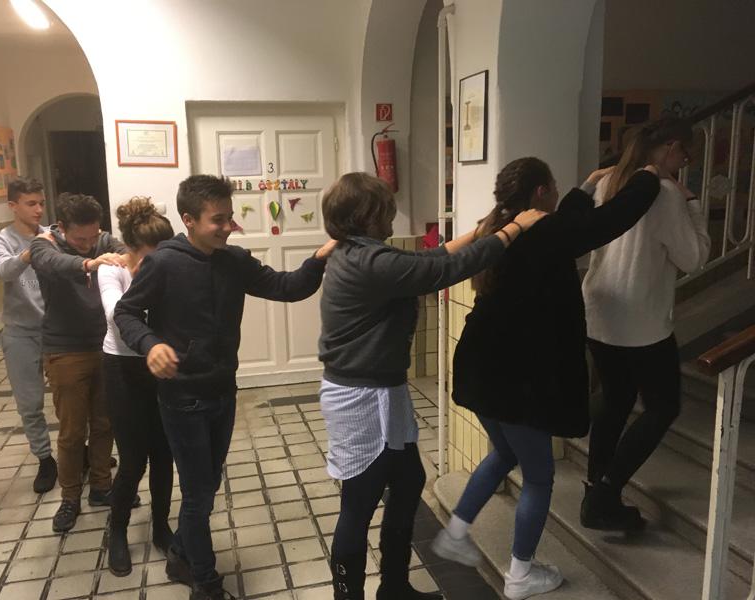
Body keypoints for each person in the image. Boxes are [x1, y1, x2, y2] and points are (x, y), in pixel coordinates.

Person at [432, 158, 662, 600]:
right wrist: (647, 179)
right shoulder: (548, 232)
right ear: (540, 192)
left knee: (504, 453)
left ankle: (455, 533)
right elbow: (609, 220)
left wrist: (586, 186)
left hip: (481, 369)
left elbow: (570, 220)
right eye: (554, 186)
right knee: (539, 478)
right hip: (516, 380)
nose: (557, 192)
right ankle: (520, 575)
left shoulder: (499, 224)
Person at [318, 172, 545, 600]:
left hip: (381, 390)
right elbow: (441, 269)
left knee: (407, 483)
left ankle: (395, 587)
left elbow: (428, 259)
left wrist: (480, 231)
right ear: (366, 215)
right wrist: (514, 230)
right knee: (359, 502)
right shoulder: (369, 260)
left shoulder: (363, 252)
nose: (392, 216)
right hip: (360, 397)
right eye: (386, 209)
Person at [114, 174, 336, 600]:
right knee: (199, 494)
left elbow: (287, 287)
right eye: (217, 219)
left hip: (223, 392)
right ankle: (206, 583)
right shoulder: (164, 263)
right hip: (182, 397)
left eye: (229, 217)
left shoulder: (234, 261)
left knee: (207, 485)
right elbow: (126, 313)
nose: (227, 226)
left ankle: (181, 553)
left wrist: (319, 258)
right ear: (188, 219)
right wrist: (150, 344)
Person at [580, 117, 710, 530]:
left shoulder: (610, 182)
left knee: (615, 399)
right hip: (641, 322)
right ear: (670, 147)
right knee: (663, 406)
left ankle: (594, 487)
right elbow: (694, 257)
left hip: (601, 312)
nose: (685, 162)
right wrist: (693, 204)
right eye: (685, 154)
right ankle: (605, 493)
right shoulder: (666, 193)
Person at [30, 193, 127, 533]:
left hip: (105, 346)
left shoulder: (104, 240)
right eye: (79, 239)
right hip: (65, 350)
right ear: (61, 227)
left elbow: (127, 254)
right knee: (72, 432)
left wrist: (124, 256)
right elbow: (51, 263)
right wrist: (89, 264)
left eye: (92, 237)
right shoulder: (44, 245)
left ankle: (101, 486)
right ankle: (70, 497)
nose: (88, 245)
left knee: (104, 422)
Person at [98, 197, 175, 576]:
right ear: (130, 249)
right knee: (132, 459)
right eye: (149, 257)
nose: (157, 265)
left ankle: (161, 526)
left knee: (164, 453)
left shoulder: (167, 267)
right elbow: (117, 313)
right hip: (122, 367)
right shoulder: (111, 270)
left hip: (160, 365)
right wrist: (142, 276)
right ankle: (117, 530)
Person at [0, 177, 56, 494]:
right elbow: (3, 270)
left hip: (56, 331)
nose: (38, 209)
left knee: (70, 397)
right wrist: (32, 251)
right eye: (31, 204)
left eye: (41, 203)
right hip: (20, 333)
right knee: (30, 403)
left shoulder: (53, 235)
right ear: (13, 206)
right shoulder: (0, 240)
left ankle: (77, 450)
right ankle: (44, 459)